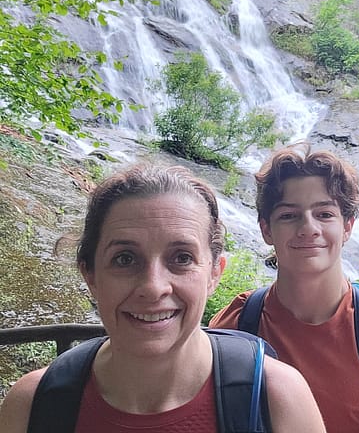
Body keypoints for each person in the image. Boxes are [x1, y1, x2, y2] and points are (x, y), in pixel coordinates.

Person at [0, 163, 326, 433]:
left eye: (181, 258)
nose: (154, 287)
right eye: (125, 259)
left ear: (215, 272)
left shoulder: (278, 398)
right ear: (90, 274)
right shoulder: (32, 407)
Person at [209, 143, 359, 433]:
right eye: (289, 215)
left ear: (348, 227)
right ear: (266, 230)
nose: (308, 228)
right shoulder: (237, 325)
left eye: (325, 214)